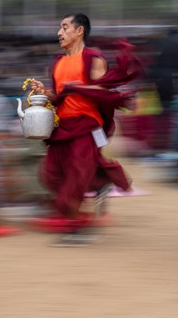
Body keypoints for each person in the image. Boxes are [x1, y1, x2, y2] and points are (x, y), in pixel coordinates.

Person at [30, 13, 139, 222]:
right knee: (51, 175)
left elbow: (104, 90)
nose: (59, 33)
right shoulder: (58, 63)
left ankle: (77, 223)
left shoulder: (93, 59)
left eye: (64, 27)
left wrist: (78, 88)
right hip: (62, 126)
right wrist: (45, 92)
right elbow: (57, 96)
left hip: (87, 124)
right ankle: (100, 184)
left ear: (79, 31)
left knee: (77, 174)